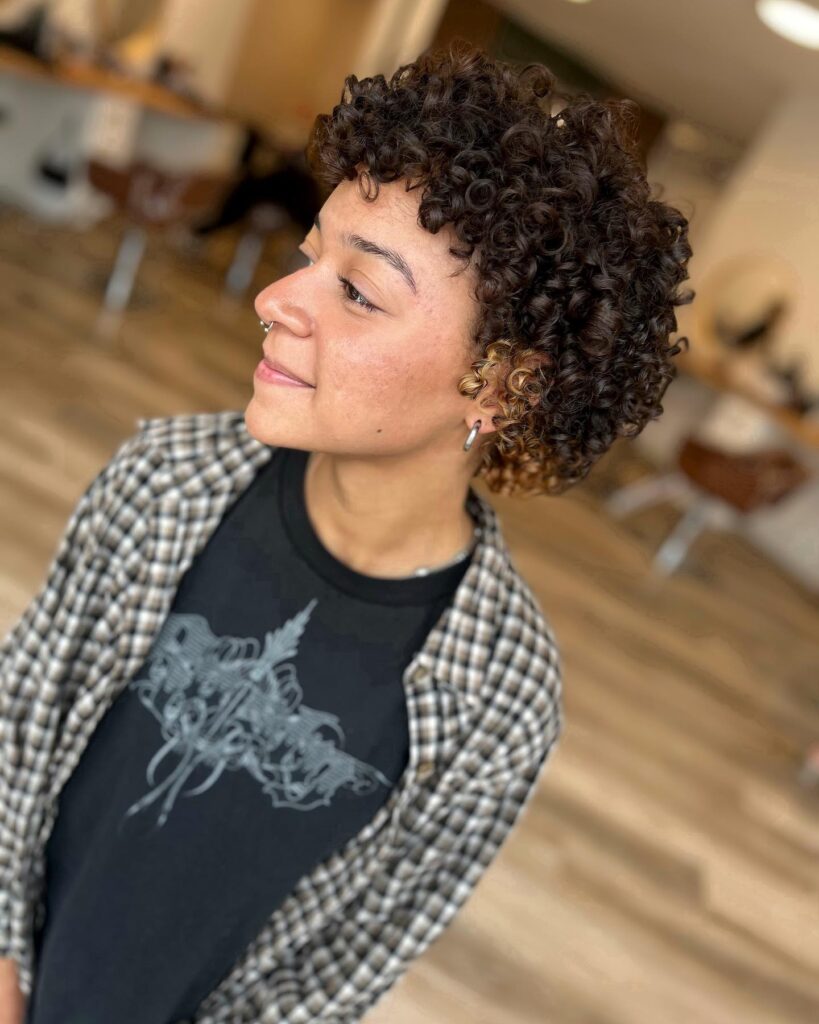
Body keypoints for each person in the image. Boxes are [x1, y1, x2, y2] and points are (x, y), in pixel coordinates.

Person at [0, 38, 693, 1024]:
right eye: (307, 256)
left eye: (359, 291)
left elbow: (341, 971)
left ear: (504, 382)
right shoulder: (165, 477)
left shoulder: (499, 696)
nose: (274, 300)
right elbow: (19, 723)